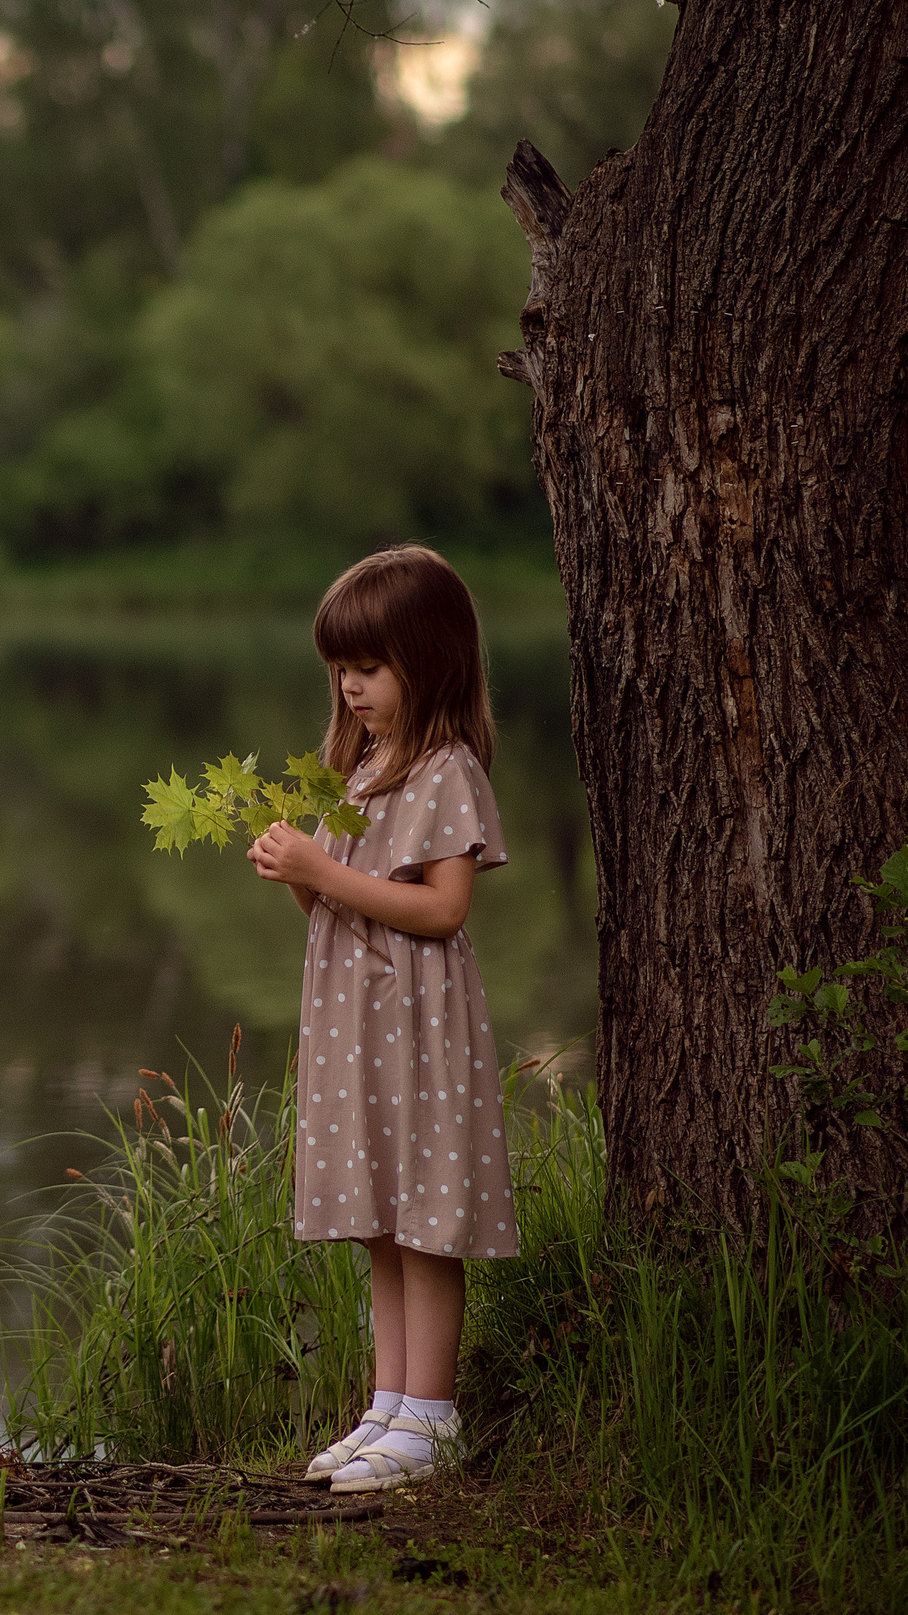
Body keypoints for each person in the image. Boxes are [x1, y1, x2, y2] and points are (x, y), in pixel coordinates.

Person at [245, 544, 515, 1493]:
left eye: (368, 668)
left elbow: (443, 910)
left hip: (420, 1025)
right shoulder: (355, 772)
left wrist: (325, 872)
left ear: (429, 659)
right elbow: (337, 908)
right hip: (355, 1028)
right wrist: (299, 875)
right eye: (340, 672)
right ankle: (390, 1406)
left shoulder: (445, 771)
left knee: (428, 1212)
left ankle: (433, 1418)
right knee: (381, 1218)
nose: (351, 689)